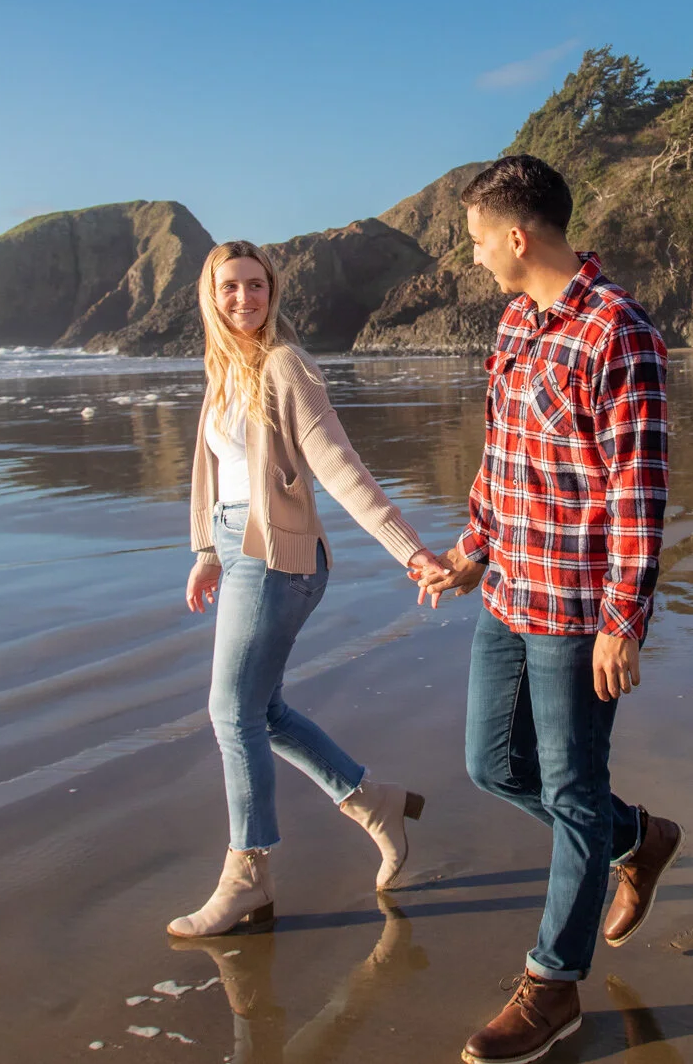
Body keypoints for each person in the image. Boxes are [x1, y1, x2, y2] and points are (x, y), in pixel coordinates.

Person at [417, 155, 683, 1064]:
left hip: (576, 608)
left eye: (479, 239)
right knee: (492, 764)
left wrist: (622, 621)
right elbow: (503, 456)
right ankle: (636, 839)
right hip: (508, 590)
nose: (477, 254)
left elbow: (638, 495)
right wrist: (468, 550)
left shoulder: (620, 334)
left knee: (571, 788)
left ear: (519, 236)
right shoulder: (516, 320)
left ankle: (552, 984)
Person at [169, 240, 447, 938]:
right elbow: (210, 472)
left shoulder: (286, 366)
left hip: (281, 558)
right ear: (210, 294)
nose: (244, 299)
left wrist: (409, 551)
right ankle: (374, 802)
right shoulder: (223, 365)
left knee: (230, 710)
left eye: (256, 286)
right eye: (230, 287)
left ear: (273, 292)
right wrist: (205, 550)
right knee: (261, 712)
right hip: (237, 551)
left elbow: (341, 467)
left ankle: (248, 874)